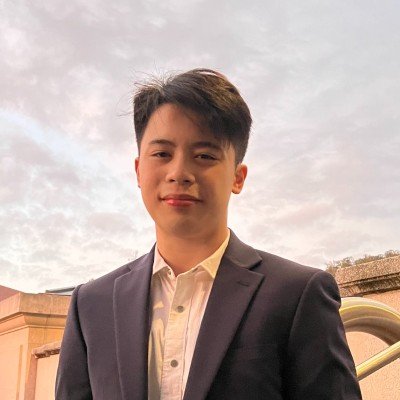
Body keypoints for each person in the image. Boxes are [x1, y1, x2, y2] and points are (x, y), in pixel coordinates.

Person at [56, 68, 362, 400]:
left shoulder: (297, 295)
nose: (179, 173)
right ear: (139, 170)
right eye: (162, 154)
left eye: (204, 156)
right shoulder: (92, 305)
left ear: (238, 177)